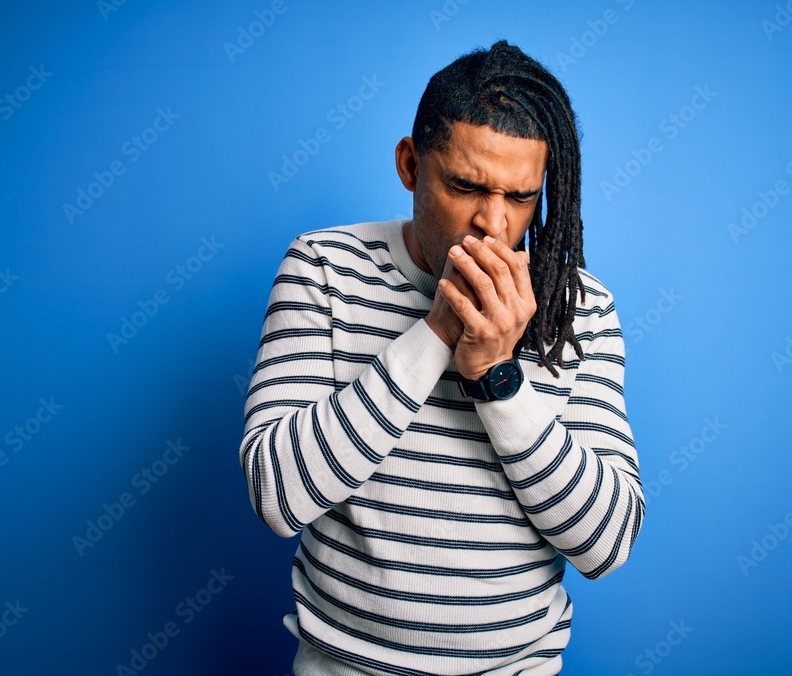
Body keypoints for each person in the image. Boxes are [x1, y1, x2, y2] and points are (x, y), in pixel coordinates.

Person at [239, 39, 644, 676]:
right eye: (465, 186)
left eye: (521, 197)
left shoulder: (579, 308)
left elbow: (606, 544)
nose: (493, 224)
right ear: (410, 164)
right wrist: (435, 333)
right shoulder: (323, 269)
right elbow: (277, 495)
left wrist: (497, 376)